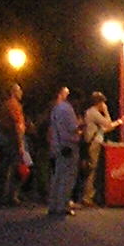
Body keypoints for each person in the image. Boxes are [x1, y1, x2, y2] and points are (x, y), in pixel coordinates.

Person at [78, 91, 124, 205]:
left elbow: (104, 129)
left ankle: (89, 195)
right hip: (94, 144)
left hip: (93, 142)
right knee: (92, 170)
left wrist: (120, 121)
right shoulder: (94, 113)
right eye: (103, 103)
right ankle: (87, 197)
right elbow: (108, 124)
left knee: (91, 170)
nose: (104, 105)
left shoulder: (90, 113)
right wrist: (106, 111)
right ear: (99, 103)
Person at [44, 86, 81, 216]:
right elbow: (72, 128)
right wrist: (81, 126)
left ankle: (53, 204)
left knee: (57, 176)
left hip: (57, 144)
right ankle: (63, 204)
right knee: (68, 177)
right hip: (68, 145)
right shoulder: (68, 110)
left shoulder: (57, 108)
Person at [0, 82, 27, 204]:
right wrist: (20, 144)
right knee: (14, 168)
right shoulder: (14, 106)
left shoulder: (5, 105)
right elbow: (16, 125)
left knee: (4, 167)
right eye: (19, 91)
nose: (21, 93)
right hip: (12, 140)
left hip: (5, 140)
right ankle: (11, 195)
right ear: (14, 92)